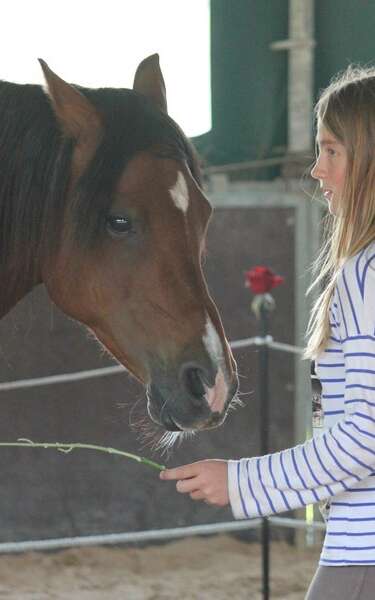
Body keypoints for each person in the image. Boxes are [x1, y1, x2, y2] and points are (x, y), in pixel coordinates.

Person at [160, 65, 375, 599]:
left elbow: (365, 440)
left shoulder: (367, 273)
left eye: (331, 151)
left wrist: (239, 481)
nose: (317, 171)